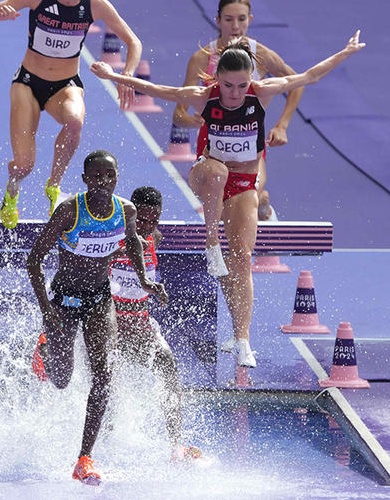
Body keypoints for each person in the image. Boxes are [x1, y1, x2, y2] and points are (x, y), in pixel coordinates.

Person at [91, 31, 365, 367]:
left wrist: (346, 51)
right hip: (206, 175)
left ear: (250, 79)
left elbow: (308, 76)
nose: (233, 94)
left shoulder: (261, 93)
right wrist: (113, 75)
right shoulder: (204, 97)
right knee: (218, 172)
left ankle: (241, 339)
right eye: (227, 86)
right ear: (217, 79)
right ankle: (210, 243)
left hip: (244, 183)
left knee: (242, 259)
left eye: (240, 85)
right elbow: (158, 90)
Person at [0, 0, 142, 229]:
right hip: (28, 84)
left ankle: (54, 186)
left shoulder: (94, 4)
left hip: (65, 84)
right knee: (24, 165)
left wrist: (126, 75)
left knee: (75, 122)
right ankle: (12, 189)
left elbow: (133, 42)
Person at [27, 150, 168, 486]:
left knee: (104, 373)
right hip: (64, 299)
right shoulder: (69, 211)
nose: (104, 181)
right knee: (62, 380)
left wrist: (146, 280)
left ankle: (84, 458)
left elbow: (133, 242)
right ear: (85, 179)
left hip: (100, 300)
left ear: (117, 178)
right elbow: (34, 260)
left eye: (110, 175)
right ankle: (46, 349)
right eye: (97, 175)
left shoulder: (126, 210)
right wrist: (47, 308)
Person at [173, 0, 303, 221]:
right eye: (229, 19)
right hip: (211, 146)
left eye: (241, 19)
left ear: (250, 20)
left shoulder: (261, 55)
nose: (235, 26)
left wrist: (282, 125)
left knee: (246, 199)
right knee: (223, 208)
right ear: (218, 20)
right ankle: (221, 246)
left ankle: (259, 201)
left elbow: (296, 82)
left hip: (250, 144)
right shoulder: (202, 58)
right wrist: (193, 120)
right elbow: (178, 115)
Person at [109, 186, 200, 460]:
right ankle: (100, 449)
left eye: (154, 220)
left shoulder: (155, 238)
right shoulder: (114, 236)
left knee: (167, 364)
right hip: (107, 325)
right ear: (130, 216)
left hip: (139, 326)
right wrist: (123, 249)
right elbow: (91, 264)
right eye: (142, 221)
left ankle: (176, 446)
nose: (147, 226)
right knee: (107, 382)